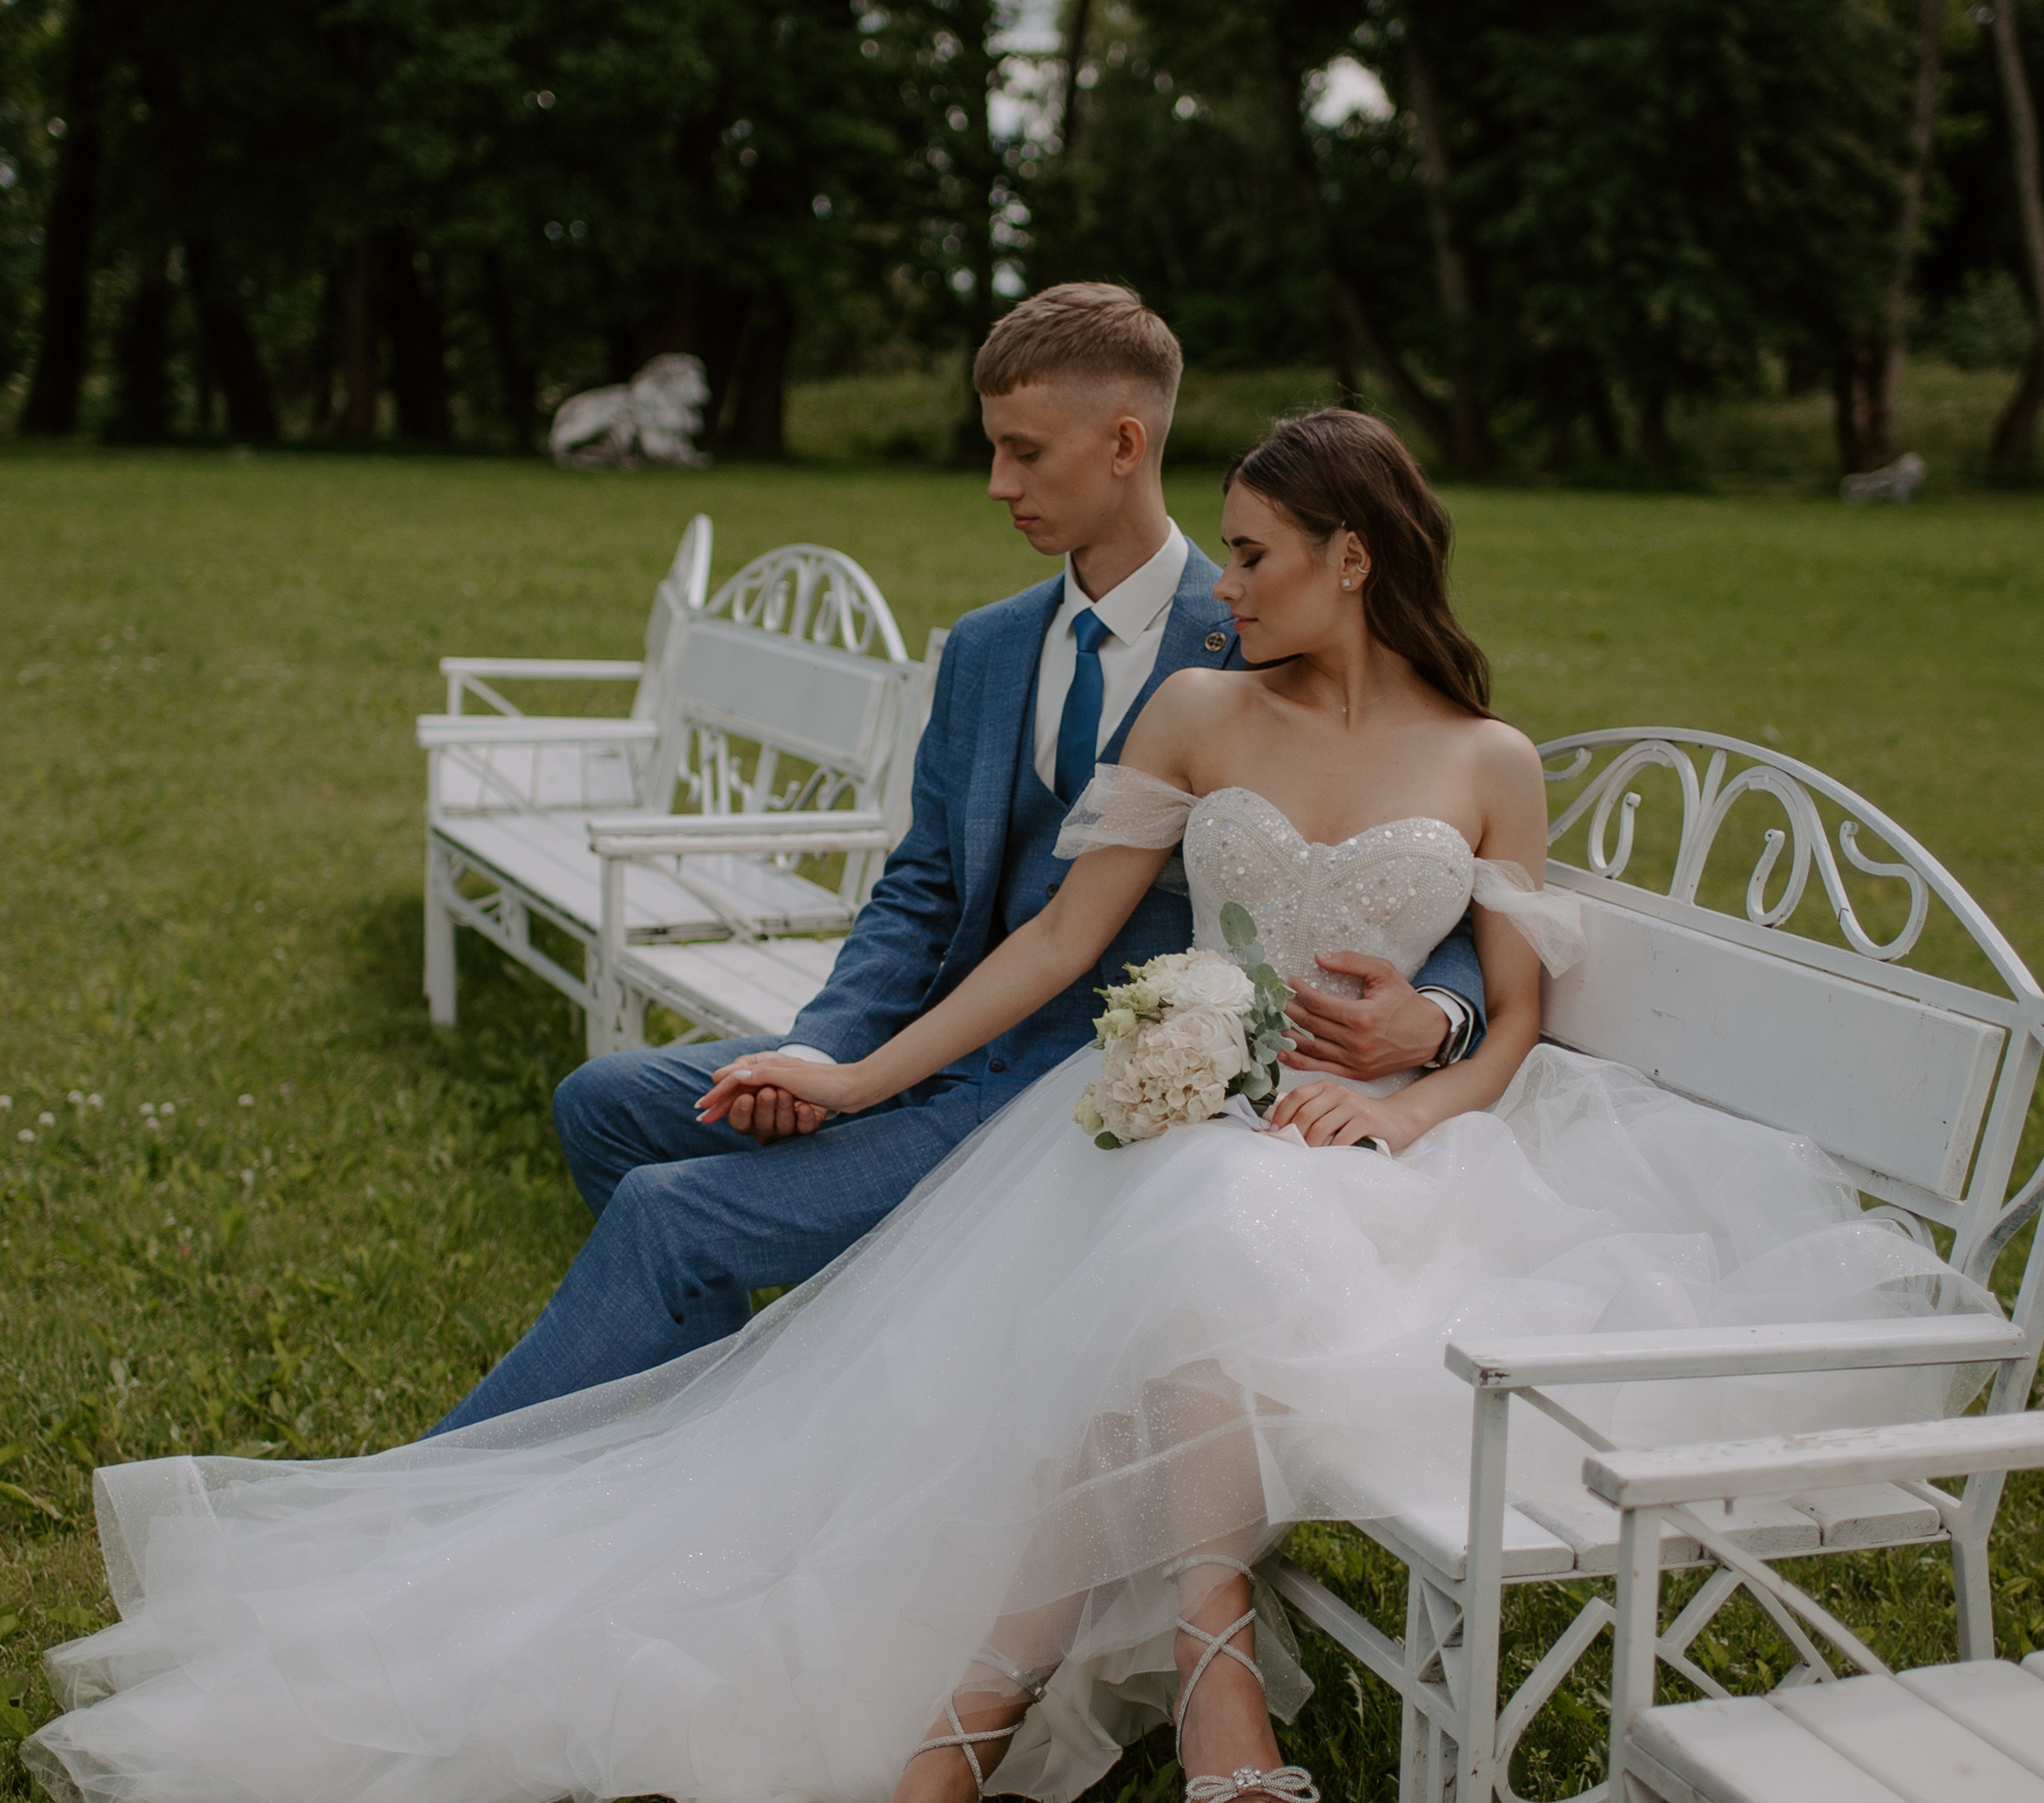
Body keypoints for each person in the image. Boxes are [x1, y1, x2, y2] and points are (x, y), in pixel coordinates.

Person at [27, 408, 1992, 1803]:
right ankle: (1180, 1686)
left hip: (1387, 1162)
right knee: (1193, 1248)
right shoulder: (1203, 710)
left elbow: (1516, 1008)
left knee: (1206, 1255)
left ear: (1355, 559)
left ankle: (954, 1771)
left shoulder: (1491, 760)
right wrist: (860, 1066)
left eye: (1253, 556)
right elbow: (1061, 947)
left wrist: (1412, 1081)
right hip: (1188, 1127)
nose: (1222, 587)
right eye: (1218, 555)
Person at [429, 286, 1488, 1433]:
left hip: (1081, 1090)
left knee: (668, 1211)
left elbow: (1421, 864)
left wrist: (1439, 1014)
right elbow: (925, 882)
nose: (997, 484)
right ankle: (736, 1406)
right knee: (605, 1105)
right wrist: (820, 1047)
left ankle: (447, 1482)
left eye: (1022, 452)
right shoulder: (986, 649)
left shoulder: (1261, 625)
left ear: (1124, 443)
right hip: (929, 1035)